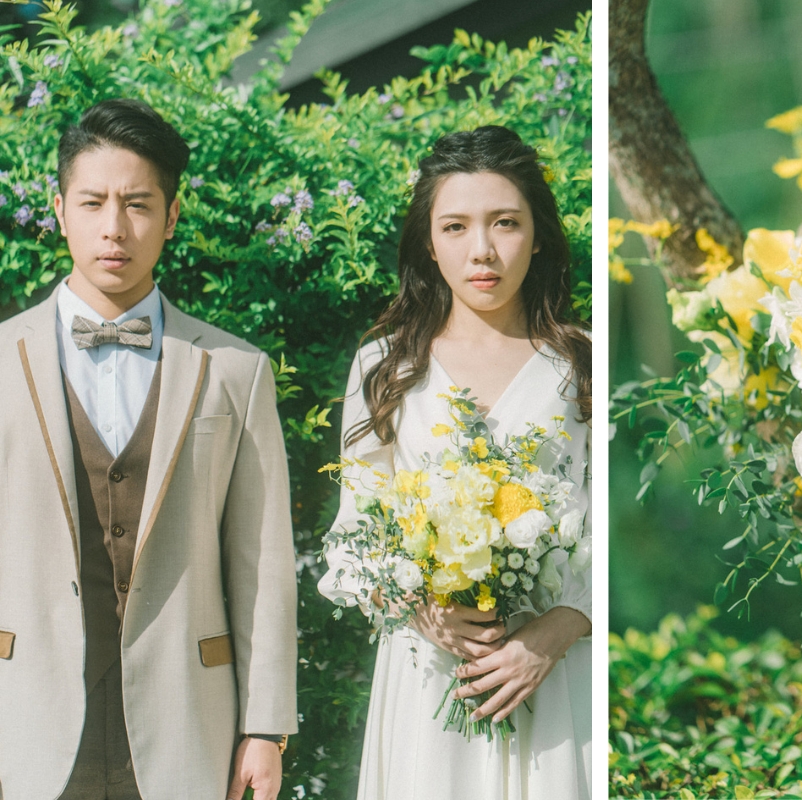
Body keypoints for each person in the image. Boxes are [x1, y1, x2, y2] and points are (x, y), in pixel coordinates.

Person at [0, 99, 297, 800]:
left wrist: (266, 726)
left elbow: (264, 562)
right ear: (59, 209)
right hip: (25, 715)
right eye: (92, 202)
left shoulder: (234, 369)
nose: (114, 228)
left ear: (170, 215)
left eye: (137, 204)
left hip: (189, 721)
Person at [318, 126, 592, 799]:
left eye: (505, 223)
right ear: (429, 243)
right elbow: (354, 540)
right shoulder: (385, 369)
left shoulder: (583, 362)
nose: (483, 251)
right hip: (430, 676)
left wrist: (555, 632)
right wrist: (421, 608)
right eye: (456, 226)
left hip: (556, 678)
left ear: (538, 234)